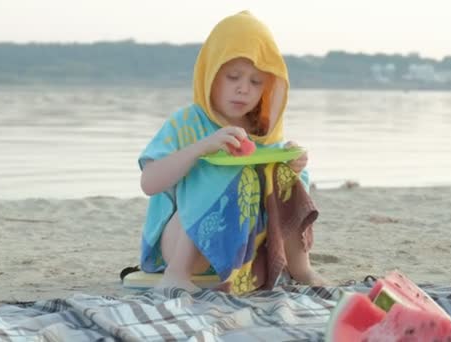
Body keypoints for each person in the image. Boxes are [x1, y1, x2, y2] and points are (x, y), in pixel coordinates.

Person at [138, 11, 325, 293]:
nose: (243, 89)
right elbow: (149, 182)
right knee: (219, 168)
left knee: (280, 174)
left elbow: (279, 198)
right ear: (210, 74)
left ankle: (301, 267)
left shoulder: (262, 130)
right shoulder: (186, 122)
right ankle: (177, 274)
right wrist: (201, 148)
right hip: (183, 245)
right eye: (233, 76)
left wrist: (294, 166)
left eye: (255, 82)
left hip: (243, 250)